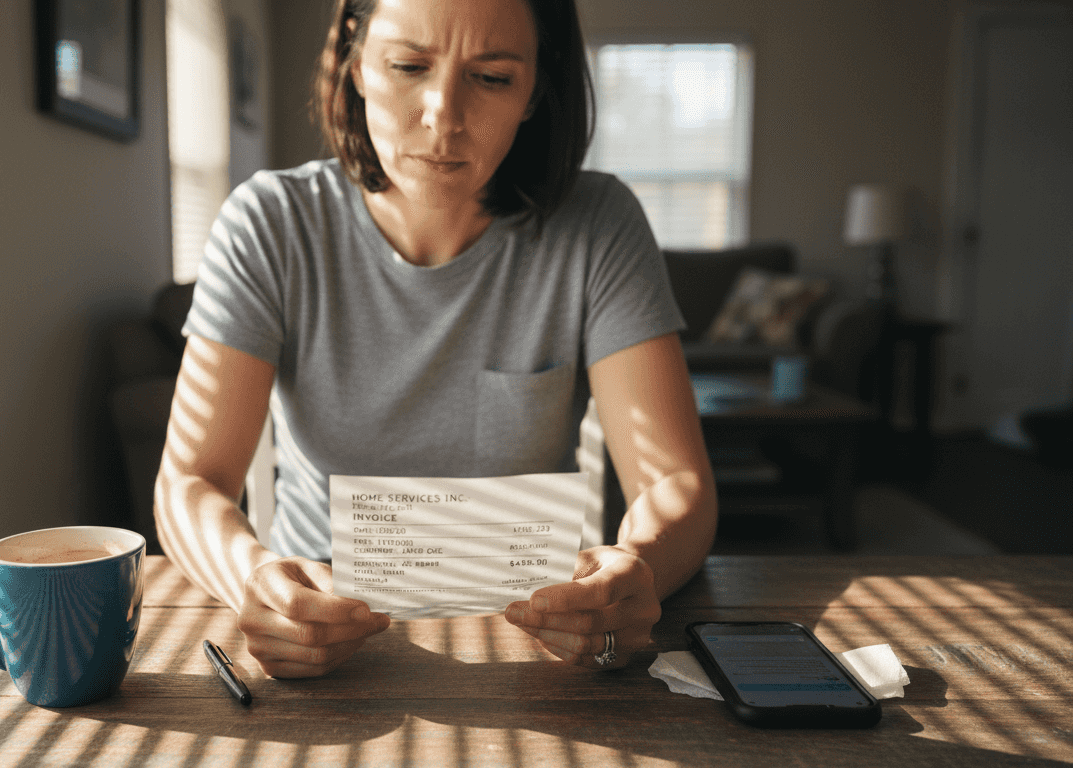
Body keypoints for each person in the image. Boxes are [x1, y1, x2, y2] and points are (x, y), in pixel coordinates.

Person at [154, 0, 717, 679]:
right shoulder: (270, 223)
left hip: (536, 643)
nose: (443, 117)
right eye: (408, 66)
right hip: (325, 638)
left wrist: (638, 572)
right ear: (355, 61)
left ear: (537, 89)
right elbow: (190, 480)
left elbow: (674, 480)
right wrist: (256, 578)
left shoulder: (598, 225)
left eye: (493, 78)